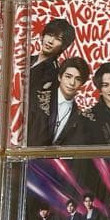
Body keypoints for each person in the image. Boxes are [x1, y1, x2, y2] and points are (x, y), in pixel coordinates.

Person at [27, 17, 76, 146]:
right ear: (43, 35)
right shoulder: (26, 60)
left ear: (63, 46)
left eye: (58, 39)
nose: (50, 41)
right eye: (49, 34)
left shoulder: (54, 74)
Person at [46, 57, 96, 145]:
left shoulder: (80, 116)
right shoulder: (39, 100)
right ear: (59, 77)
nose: (72, 83)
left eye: (78, 79)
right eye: (68, 77)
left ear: (82, 83)